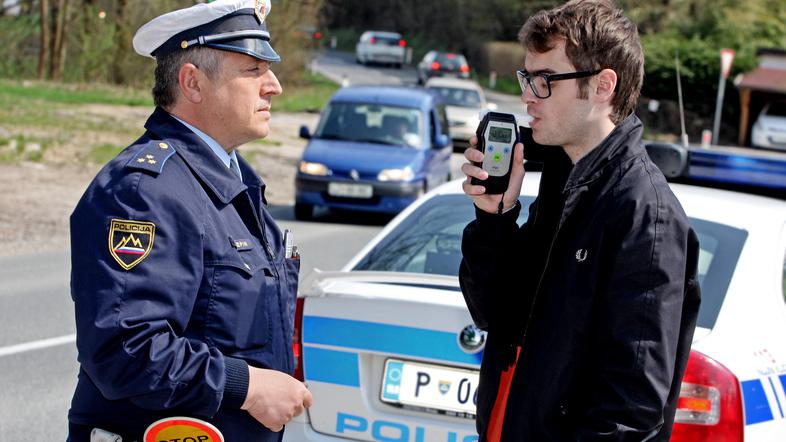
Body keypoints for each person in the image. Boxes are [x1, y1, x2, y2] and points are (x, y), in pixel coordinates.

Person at [66, 1, 312, 440]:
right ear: (193, 83)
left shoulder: (230, 182)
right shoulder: (144, 191)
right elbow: (125, 349)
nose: (273, 85)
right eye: (253, 69)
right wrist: (249, 387)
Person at [459, 1, 700, 440]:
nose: (527, 95)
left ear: (603, 85)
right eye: (526, 78)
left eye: (545, 80)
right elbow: (495, 313)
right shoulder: (564, 186)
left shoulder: (646, 215)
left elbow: (631, 409)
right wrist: (495, 220)